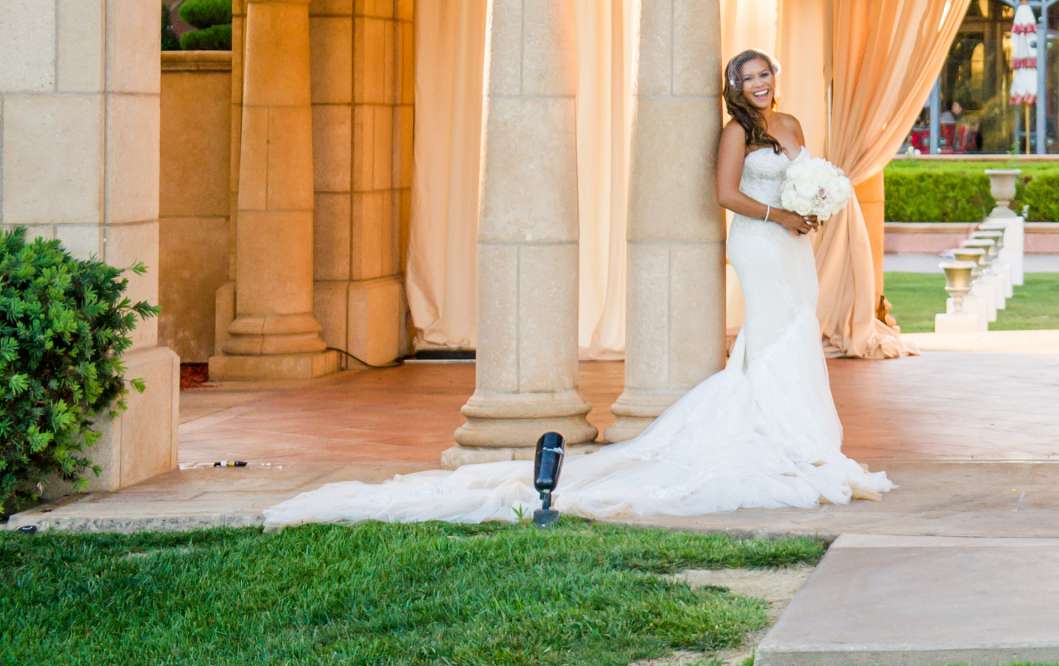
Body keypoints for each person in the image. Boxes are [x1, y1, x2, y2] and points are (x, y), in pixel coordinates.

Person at [263, 49, 893, 524]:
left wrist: (808, 207)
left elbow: (801, 176)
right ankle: (785, 436)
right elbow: (725, 194)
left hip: (793, 243)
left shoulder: (790, 123)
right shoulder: (737, 133)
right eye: (748, 77)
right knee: (772, 330)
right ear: (735, 88)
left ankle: (804, 435)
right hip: (761, 240)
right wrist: (774, 215)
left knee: (796, 326)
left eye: (765, 74)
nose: (760, 84)